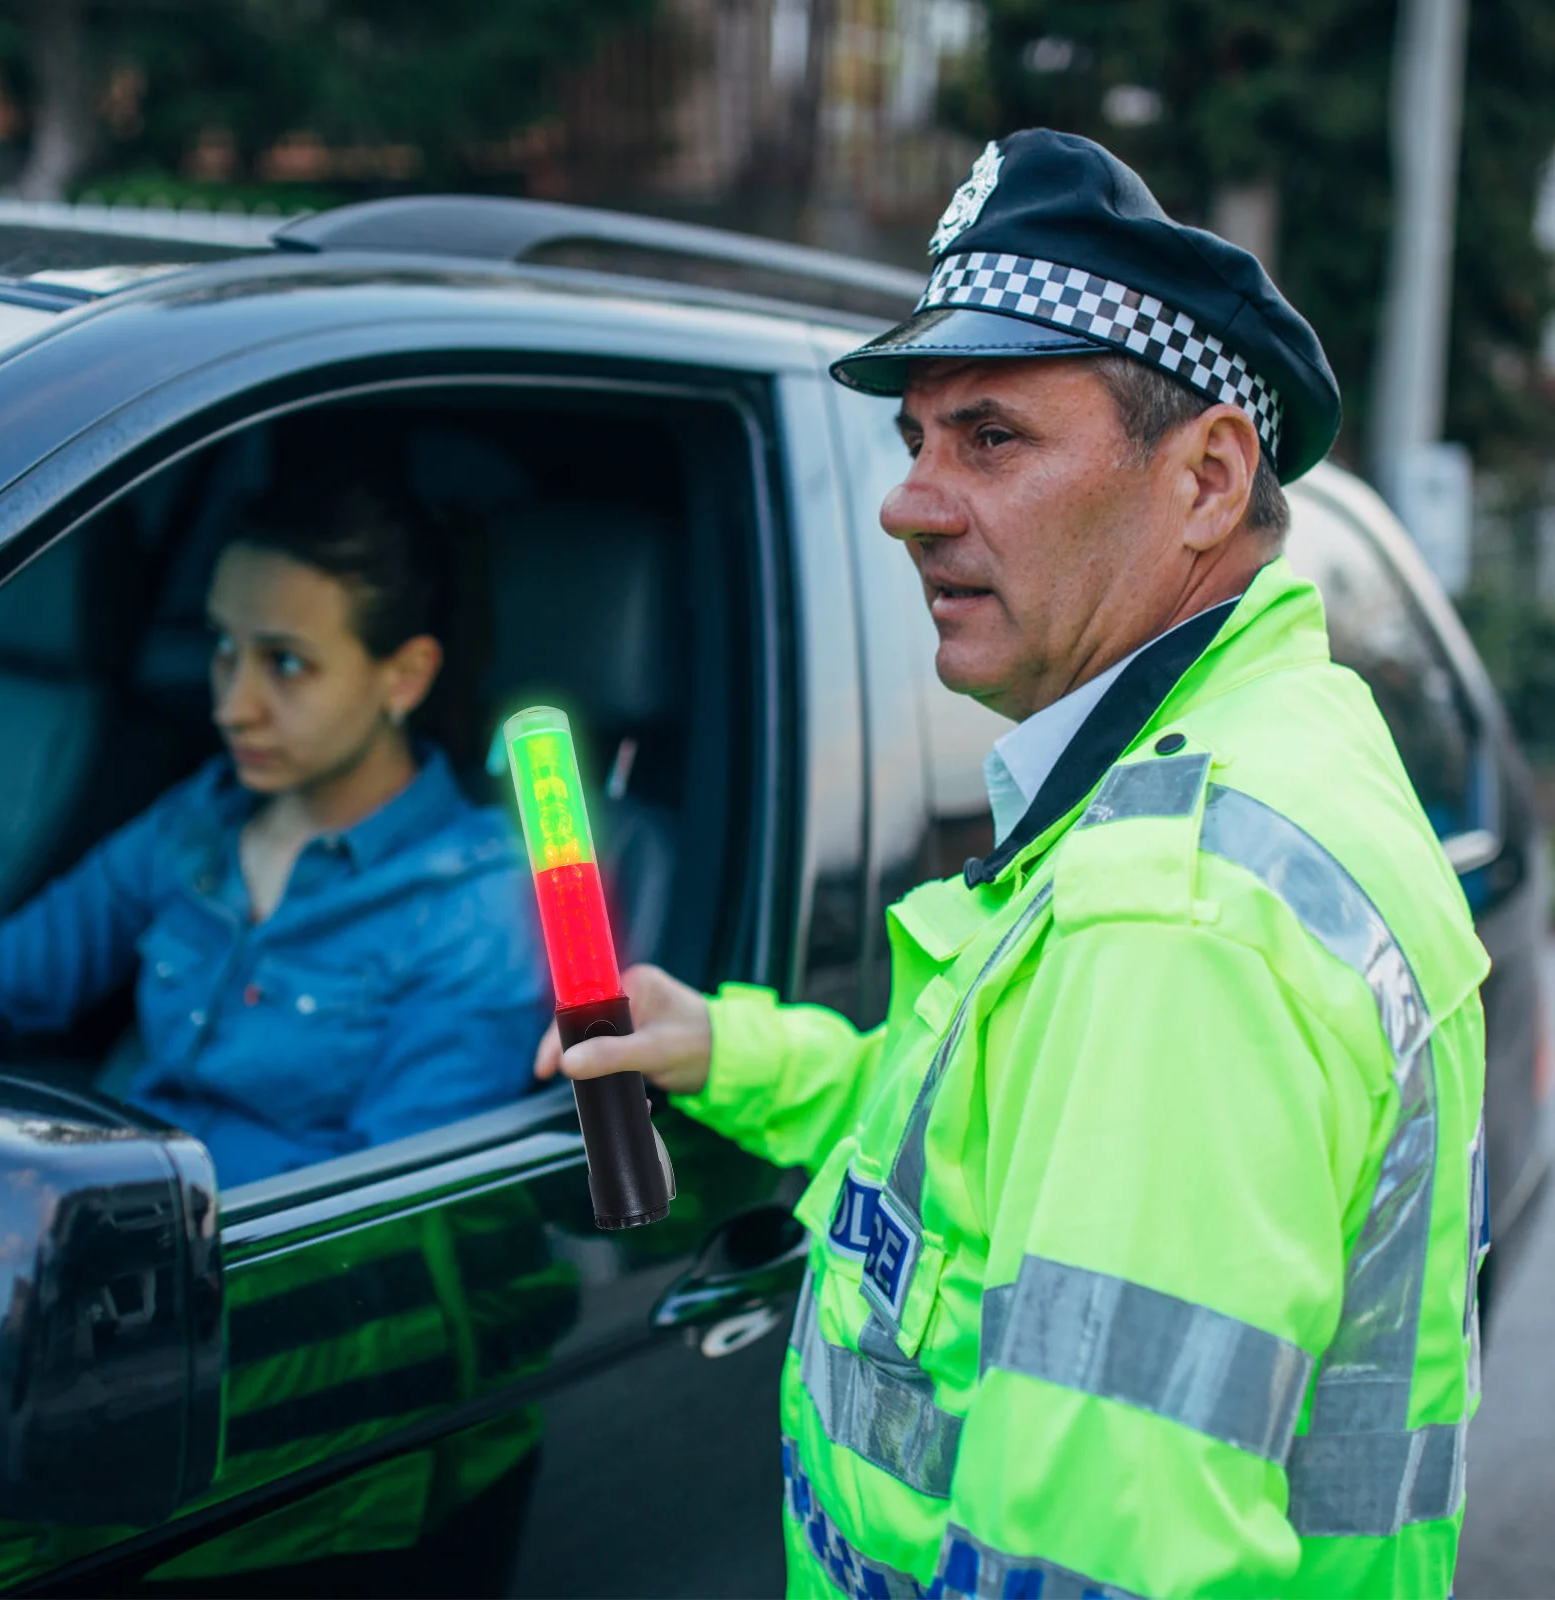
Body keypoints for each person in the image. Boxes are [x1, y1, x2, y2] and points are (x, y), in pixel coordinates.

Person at [536, 131, 1488, 1597]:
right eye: (914, 440)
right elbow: (999, 1171)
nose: (908, 502)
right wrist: (734, 1050)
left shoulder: (1177, 916)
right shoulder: (1207, 777)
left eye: (990, 439)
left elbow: (1094, 1563)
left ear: (1207, 480)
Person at [0, 466, 547, 1188]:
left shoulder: (473, 911)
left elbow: (387, 1221)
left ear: (405, 677)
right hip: (108, 1234)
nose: (233, 706)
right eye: (224, 648)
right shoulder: (200, 819)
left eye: (286, 663)